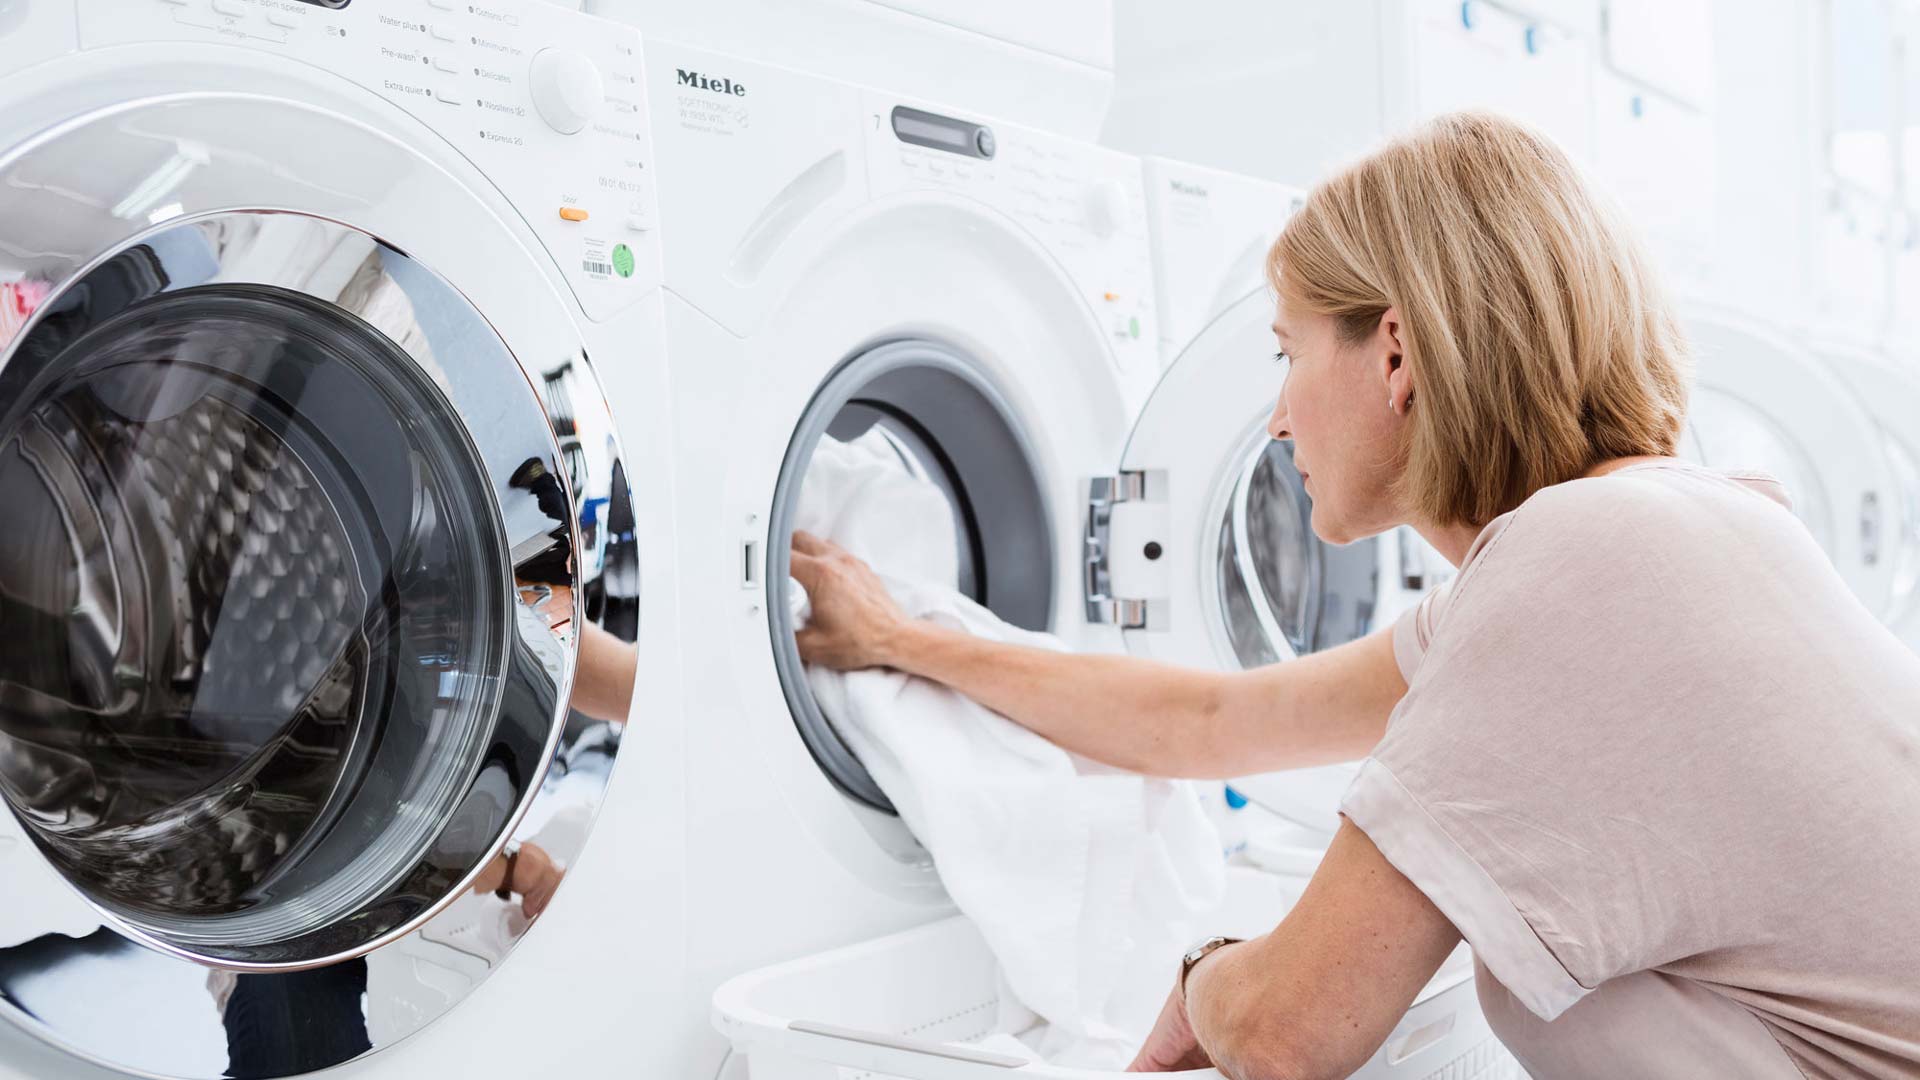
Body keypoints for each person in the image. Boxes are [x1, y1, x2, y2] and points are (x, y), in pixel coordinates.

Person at [789, 112, 1920, 1079]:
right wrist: (900, 635)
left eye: (1286, 352)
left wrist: (1200, 977)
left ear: (1397, 356)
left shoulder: (1578, 568)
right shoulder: (1655, 527)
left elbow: (1291, 1030)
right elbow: (1211, 724)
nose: (1277, 419)